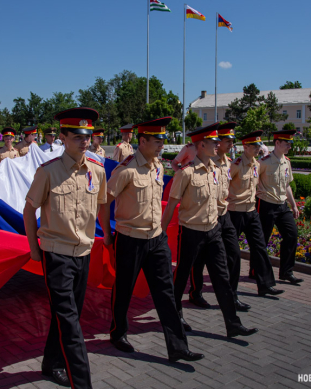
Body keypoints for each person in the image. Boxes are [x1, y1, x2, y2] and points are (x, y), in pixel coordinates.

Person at [99, 116, 204, 363]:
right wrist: (107, 235)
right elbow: (104, 203)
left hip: (156, 239)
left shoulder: (158, 166)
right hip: (130, 239)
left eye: (163, 141)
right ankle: (118, 333)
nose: (161, 146)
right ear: (143, 141)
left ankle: (178, 347)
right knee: (124, 289)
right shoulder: (126, 169)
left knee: (166, 291)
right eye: (157, 141)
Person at [24, 107, 107, 388]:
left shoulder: (97, 171)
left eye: (87, 136)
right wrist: (34, 249)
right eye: (77, 137)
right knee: (70, 323)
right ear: (63, 137)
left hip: (83, 254)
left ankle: (51, 363)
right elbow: (29, 210)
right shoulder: (48, 171)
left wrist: (106, 236)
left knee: (68, 316)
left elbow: (102, 205)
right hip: (57, 255)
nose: (84, 142)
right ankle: (81, 382)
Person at [161, 123, 258, 338]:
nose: (218, 145)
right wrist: (162, 233)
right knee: (182, 275)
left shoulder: (216, 170)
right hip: (191, 232)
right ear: (201, 145)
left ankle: (233, 323)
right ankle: (175, 315)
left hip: (213, 231)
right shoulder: (185, 173)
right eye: (213, 142)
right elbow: (171, 205)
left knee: (221, 277)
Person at [187, 122, 250, 312]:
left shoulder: (228, 163)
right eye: (227, 141)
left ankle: (232, 296)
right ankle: (195, 292)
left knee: (234, 254)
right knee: (199, 259)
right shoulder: (207, 162)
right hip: (207, 216)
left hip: (224, 214)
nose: (231, 144)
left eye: (232, 141)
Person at [228, 131, 284, 297]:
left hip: (252, 212)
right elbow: (224, 186)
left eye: (259, 146)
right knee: (232, 253)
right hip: (236, 212)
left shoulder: (257, 165)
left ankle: (266, 284)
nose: (258, 149)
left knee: (260, 247)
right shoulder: (236, 165)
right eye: (254, 146)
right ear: (245, 147)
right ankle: (229, 291)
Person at [256, 129, 302, 285]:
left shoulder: (286, 162)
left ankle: (287, 272)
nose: (290, 146)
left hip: (282, 205)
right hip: (266, 204)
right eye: (287, 143)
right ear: (277, 143)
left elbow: (287, 185)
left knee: (292, 234)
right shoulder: (264, 162)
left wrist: (294, 205)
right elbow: (252, 181)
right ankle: (256, 270)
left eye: (290, 143)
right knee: (262, 239)